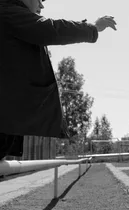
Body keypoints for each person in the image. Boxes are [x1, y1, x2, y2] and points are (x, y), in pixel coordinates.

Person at [0, 0, 117, 160]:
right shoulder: (7, 12)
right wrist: (93, 28)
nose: (41, 6)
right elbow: (50, 29)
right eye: (39, 0)